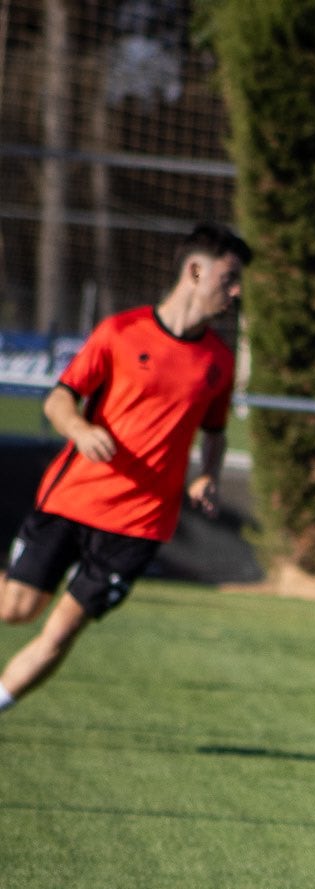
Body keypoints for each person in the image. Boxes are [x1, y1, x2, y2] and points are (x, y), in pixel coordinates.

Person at [0, 222, 248, 713]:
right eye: (230, 277)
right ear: (195, 271)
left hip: (140, 524)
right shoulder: (120, 332)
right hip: (75, 498)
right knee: (16, 610)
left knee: (65, 627)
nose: (237, 291)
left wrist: (208, 475)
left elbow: (215, 432)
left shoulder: (218, 360)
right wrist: (81, 429)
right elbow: (58, 400)